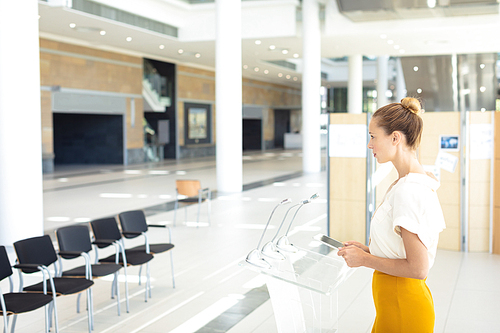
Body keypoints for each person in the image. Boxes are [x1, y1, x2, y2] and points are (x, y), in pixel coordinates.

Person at [337, 97, 446, 333]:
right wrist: (368, 250)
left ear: (395, 138)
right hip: (395, 302)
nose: (369, 144)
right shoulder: (405, 183)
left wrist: (365, 260)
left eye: (373, 136)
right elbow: (401, 250)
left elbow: (418, 268)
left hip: (403, 305)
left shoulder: (409, 190)